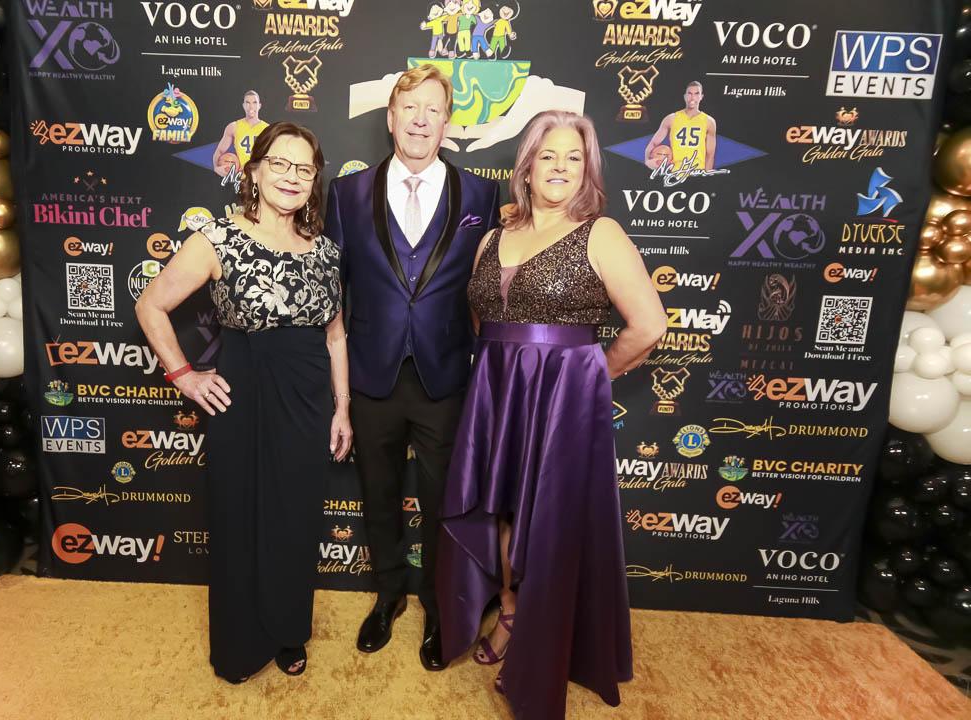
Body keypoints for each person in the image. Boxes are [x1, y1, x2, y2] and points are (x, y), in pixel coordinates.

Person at [437, 110, 668, 718]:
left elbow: (649, 325)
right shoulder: (493, 237)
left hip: (564, 400)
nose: (561, 167)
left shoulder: (600, 233)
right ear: (528, 165)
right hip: (496, 390)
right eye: (549, 155)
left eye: (574, 157)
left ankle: (541, 638)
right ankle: (512, 610)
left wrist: (589, 375)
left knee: (550, 517)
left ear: (587, 168)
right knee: (500, 508)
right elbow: (483, 319)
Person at [136, 122, 351, 682]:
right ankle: (240, 642)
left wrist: (342, 408)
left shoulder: (325, 251)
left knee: (295, 517)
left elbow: (335, 337)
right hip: (243, 393)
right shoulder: (218, 238)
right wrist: (184, 375)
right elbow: (150, 305)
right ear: (254, 170)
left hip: (307, 399)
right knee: (239, 515)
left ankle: (288, 629)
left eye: (304, 169)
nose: (292, 177)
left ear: (315, 180)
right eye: (280, 163)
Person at [324, 64, 500, 671]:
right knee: (378, 495)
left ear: (447, 123)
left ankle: (437, 604)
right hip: (372, 373)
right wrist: (340, 396)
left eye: (433, 109)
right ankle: (389, 594)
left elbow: (489, 289)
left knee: (442, 502)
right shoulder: (347, 194)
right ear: (391, 118)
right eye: (410, 108)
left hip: (445, 376)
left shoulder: (482, 195)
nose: (421, 120)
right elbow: (332, 297)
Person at [644, 81, 717, 171]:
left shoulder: (709, 121)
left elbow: (710, 155)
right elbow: (653, 143)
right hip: (675, 172)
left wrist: (706, 176)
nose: (692, 97)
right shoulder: (671, 119)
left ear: (701, 97)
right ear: (685, 96)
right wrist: (647, 160)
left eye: (696, 93)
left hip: (697, 171)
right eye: (689, 93)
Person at [212, 90, 269, 177]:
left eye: (254, 102)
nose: (251, 106)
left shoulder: (268, 129)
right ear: (243, 105)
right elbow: (220, 150)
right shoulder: (233, 127)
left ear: (259, 105)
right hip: (242, 178)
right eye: (247, 103)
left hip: (261, 177)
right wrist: (216, 167)